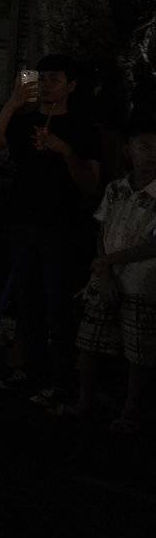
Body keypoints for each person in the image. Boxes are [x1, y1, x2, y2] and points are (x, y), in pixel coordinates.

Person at [0, 56, 102, 405]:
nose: (47, 84)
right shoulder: (24, 121)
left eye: (55, 79)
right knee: (28, 300)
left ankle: (62, 381)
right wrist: (13, 103)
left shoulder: (82, 127)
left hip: (61, 227)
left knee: (58, 304)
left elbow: (91, 184)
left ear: (71, 85)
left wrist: (63, 150)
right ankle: (30, 373)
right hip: (23, 222)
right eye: (43, 78)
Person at [62, 116, 156, 432]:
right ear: (129, 150)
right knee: (90, 341)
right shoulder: (117, 188)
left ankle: (131, 412)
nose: (151, 153)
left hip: (144, 282)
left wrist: (107, 262)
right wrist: (103, 270)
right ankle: (86, 400)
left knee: (138, 352)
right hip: (108, 277)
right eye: (144, 146)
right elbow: (103, 228)